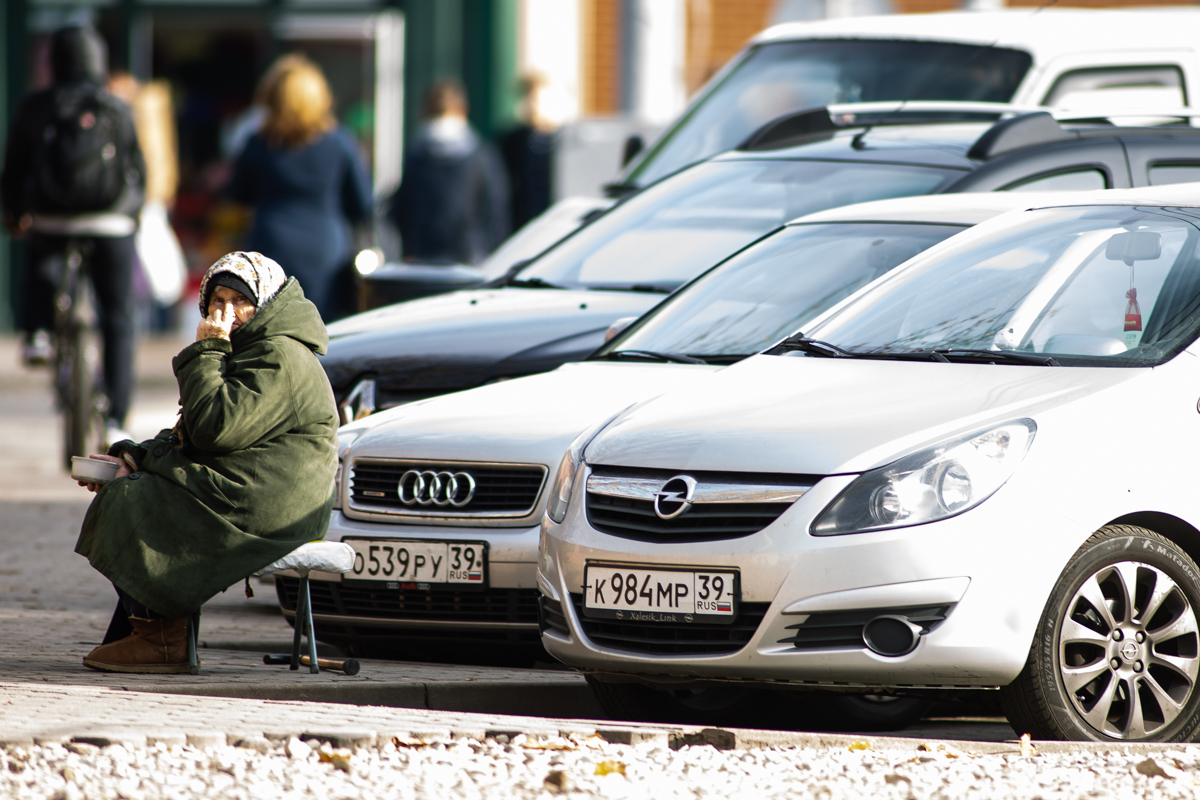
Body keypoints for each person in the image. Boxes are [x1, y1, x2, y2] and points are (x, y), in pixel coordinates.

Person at [74, 251, 338, 674]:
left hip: (270, 505)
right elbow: (197, 431)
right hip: (244, 487)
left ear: (265, 304)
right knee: (127, 489)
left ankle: (162, 639)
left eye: (239, 302)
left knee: (130, 500)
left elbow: (217, 428)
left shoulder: (278, 356)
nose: (226, 312)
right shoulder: (252, 348)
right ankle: (151, 630)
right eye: (217, 301)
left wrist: (208, 350)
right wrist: (135, 456)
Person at [0, 24, 146, 444]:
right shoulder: (116, 107)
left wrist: (14, 214)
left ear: (55, 62)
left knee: (39, 259)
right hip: (111, 223)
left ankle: (39, 333)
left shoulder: (37, 106)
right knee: (118, 317)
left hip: (52, 219)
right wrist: (130, 216)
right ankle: (117, 417)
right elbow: (138, 169)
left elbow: (14, 168)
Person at [228, 55, 373, 322]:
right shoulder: (340, 144)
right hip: (326, 251)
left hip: (270, 248)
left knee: (272, 331)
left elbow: (238, 195)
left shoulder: (257, 144)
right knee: (325, 329)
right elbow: (363, 204)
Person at [386, 80, 510, 265]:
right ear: (463, 111)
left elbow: (402, 209)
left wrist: (408, 249)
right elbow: (495, 210)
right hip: (469, 256)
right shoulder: (481, 155)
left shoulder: (416, 154)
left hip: (422, 256)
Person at [500, 74, 559, 232]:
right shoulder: (512, 140)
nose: (533, 103)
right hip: (522, 222)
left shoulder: (559, 140)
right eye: (528, 96)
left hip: (554, 220)